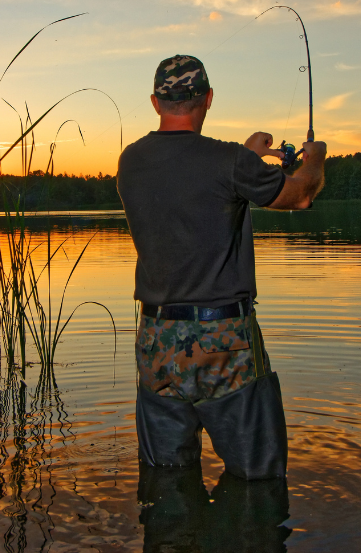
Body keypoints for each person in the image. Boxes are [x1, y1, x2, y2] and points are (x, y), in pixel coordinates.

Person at [117, 54, 327, 481]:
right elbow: (301, 195)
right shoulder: (229, 162)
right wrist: (315, 158)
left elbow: (192, 184)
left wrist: (247, 159)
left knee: (166, 481)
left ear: (156, 103)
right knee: (258, 478)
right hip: (224, 340)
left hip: (156, 341)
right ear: (208, 99)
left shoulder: (131, 161)